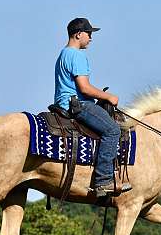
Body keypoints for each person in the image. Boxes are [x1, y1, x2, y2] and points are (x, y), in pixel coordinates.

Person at [54, 17, 129, 197]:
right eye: (88, 34)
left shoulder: (63, 54)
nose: (91, 38)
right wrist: (108, 96)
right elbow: (85, 88)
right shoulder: (78, 55)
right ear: (78, 34)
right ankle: (103, 181)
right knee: (112, 130)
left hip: (63, 103)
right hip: (78, 104)